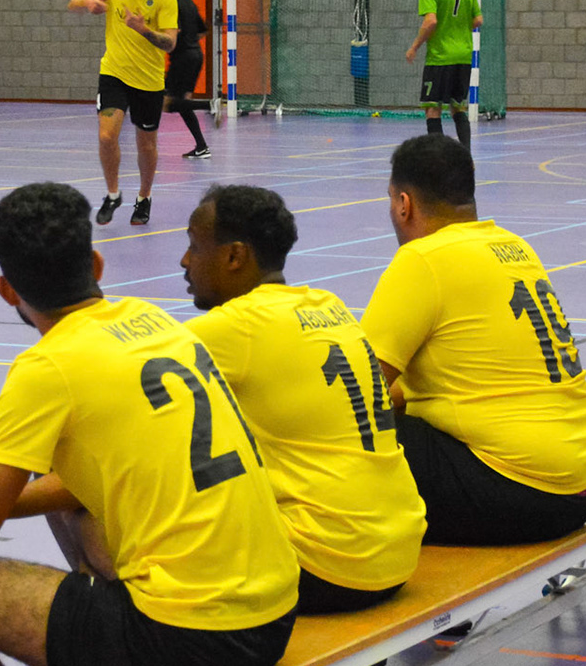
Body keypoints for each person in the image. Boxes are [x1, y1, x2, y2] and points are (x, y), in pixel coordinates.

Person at [0, 181, 298, 666]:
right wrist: (3, 505)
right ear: (96, 264)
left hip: (190, 639)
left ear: (7, 290)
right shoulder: (156, 322)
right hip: (275, 614)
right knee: (67, 480)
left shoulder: (47, 367)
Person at [180, 183, 425, 616]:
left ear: (235, 256)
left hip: (327, 567)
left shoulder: (236, 326)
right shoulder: (329, 306)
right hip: (399, 551)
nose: (185, 261)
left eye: (195, 246)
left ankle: (133, 621)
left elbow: (124, 387)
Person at [361, 135, 586, 546]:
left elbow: (356, 393)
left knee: (343, 437)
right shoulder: (515, 247)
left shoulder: (423, 259)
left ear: (404, 204)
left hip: (520, 491)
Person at [68, 0, 177, 228]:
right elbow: (73, 2)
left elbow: (170, 43)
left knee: (146, 143)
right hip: (114, 73)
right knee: (106, 136)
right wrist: (88, 2)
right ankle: (113, 194)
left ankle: (144, 197)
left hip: (148, 80)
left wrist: (143, 29)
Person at [403, 0, 482, 152]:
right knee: (458, 107)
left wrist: (414, 47)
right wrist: (458, 27)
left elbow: (431, 21)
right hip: (463, 56)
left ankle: (438, 159)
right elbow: (478, 20)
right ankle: (466, 157)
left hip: (440, 58)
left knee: (432, 109)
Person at [161, 0, 212, 160]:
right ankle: (201, 146)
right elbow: (203, 30)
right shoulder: (189, 2)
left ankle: (209, 105)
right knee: (183, 104)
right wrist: (190, 42)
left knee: (165, 103)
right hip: (196, 55)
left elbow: (176, 31)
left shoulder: (172, 2)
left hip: (182, 58)